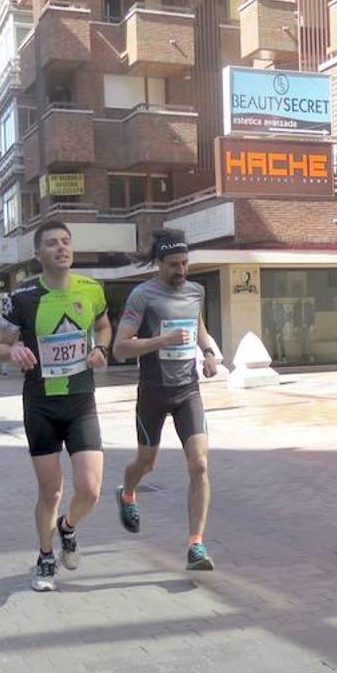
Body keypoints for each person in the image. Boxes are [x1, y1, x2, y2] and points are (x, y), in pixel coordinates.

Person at [0, 221, 112, 592]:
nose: (61, 248)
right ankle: (46, 557)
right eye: (51, 243)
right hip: (41, 403)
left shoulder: (92, 289)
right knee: (51, 491)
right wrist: (13, 351)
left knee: (91, 489)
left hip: (81, 400)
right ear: (37, 254)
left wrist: (100, 348)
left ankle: (67, 528)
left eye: (65, 242)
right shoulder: (22, 296)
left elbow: (104, 326)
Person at [113, 229, 220, 572]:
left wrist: (208, 352)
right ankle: (127, 492)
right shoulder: (142, 296)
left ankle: (196, 546)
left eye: (186, 263)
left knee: (200, 464)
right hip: (153, 391)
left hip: (188, 389)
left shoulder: (196, 291)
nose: (182, 270)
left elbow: (198, 326)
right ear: (159, 264)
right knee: (146, 463)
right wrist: (162, 340)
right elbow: (120, 347)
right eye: (174, 264)